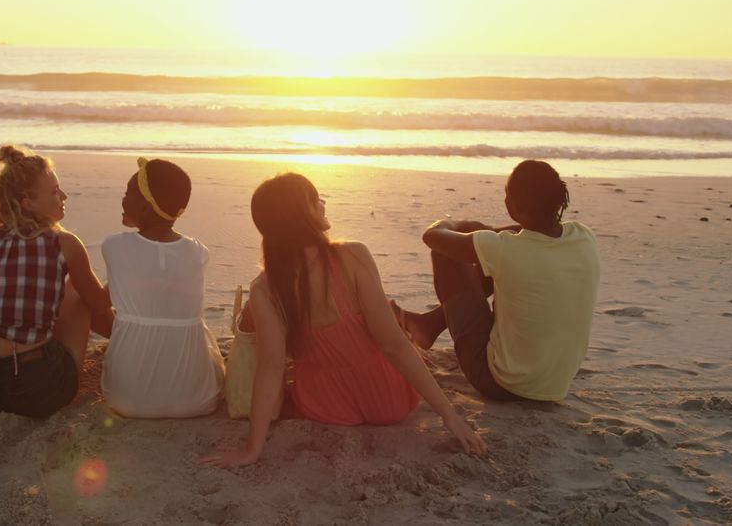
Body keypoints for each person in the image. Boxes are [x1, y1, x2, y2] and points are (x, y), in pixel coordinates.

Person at [203, 173, 486, 467]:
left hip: (326, 406)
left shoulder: (264, 289)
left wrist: (252, 449)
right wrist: (449, 415)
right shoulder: (353, 256)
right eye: (316, 200)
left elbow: (270, 367)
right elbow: (394, 345)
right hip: (389, 401)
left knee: (286, 372)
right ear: (304, 215)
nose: (323, 205)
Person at [394, 160, 599, 402]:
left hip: (500, 383)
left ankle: (426, 328)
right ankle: (428, 325)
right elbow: (518, 237)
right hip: (555, 385)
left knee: (446, 254)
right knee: (499, 264)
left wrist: (456, 224)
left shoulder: (506, 249)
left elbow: (433, 236)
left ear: (513, 205)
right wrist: (489, 232)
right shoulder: (583, 236)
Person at [0, 145, 110, 418]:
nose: (63, 196)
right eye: (54, 191)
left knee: (39, 298)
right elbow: (100, 305)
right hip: (36, 388)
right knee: (77, 290)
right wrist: (121, 272)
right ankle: (127, 341)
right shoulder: (63, 243)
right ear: (27, 202)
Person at [100, 158, 224, 418]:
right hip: (197, 400)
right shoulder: (199, 252)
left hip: (127, 400)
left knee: (88, 295)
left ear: (145, 207)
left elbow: (102, 301)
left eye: (127, 194)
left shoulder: (113, 246)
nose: (122, 200)